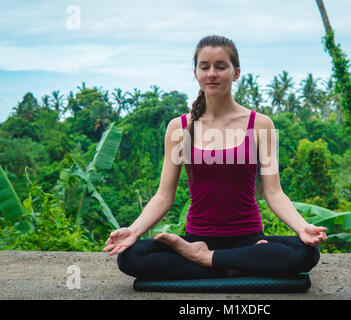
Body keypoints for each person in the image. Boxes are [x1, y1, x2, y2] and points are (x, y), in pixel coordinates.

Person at [103, 35, 328, 280]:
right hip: (197, 238)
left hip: (249, 239)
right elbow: (164, 196)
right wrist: (134, 231)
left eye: (221, 67)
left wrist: (302, 227)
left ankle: (205, 259)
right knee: (130, 256)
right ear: (196, 72)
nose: (212, 73)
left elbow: (274, 193)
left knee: (306, 252)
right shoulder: (178, 128)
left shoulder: (261, 125)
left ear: (236, 72)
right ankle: (237, 265)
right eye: (205, 67)